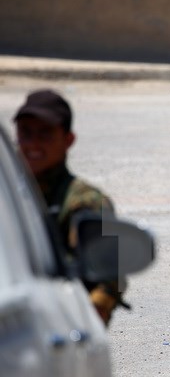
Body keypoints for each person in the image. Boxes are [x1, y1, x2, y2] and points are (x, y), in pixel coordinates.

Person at [13, 89, 123, 326]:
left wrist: (86, 319)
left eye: (45, 134)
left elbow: (107, 280)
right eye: (26, 133)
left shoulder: (85, 202)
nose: (33, 144)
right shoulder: (8, 196)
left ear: (68, 140)